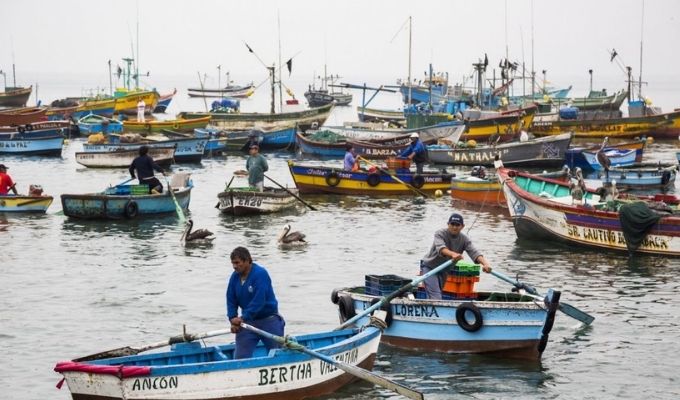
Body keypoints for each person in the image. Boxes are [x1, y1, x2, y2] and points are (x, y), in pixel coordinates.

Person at [226, 246, 285, 359]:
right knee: (240, 358)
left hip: (269, 321)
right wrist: (232, 318)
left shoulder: (260, 274)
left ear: (247, 261)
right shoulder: (234, 277)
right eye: (233, 263)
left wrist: (242, 318)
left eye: (238, 263)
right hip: (248, 323)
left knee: (277, 355)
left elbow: (259, 301)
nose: (235, 266)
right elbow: (230, 298)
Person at [420, 213, 492, 300]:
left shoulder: (464, 239)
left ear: (462, 226)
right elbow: (441, 248)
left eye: (457, 225)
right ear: (448, 224)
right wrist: (453, 254)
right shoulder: (439, 233)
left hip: (444, 270)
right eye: (452, 224)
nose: (454, 227)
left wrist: (485, 264)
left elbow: (474, 252)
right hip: (430, 267)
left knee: (437, 294)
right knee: (435, 295)